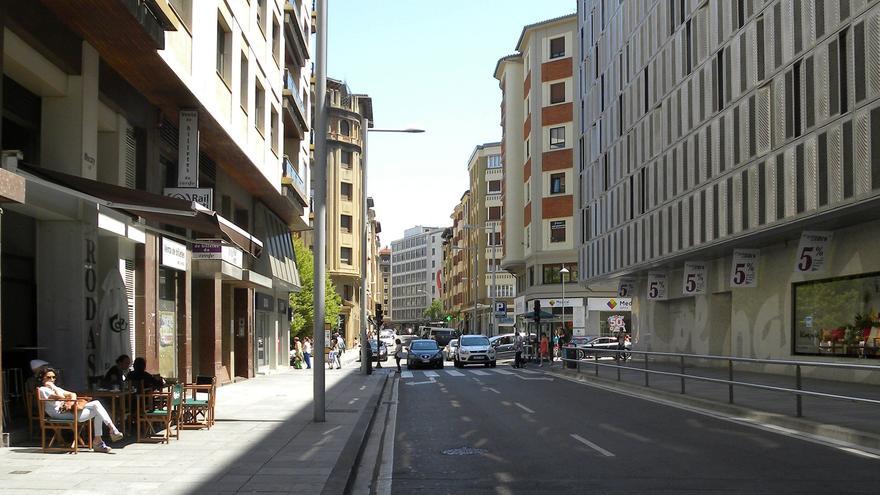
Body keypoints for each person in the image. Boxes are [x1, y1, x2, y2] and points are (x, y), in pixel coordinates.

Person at [37, 367, 122, 453]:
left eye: (53, 377)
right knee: (97, 406)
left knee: (97, 405)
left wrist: (70, 403)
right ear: (42, 378)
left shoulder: (55, 388)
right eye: (49, 377)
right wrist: (54, 388)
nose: (52, 379)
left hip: (68, 410)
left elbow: (72, 394)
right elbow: (61, 397)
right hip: (59, 413)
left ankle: (107, 434)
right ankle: (102, 439)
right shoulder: (43, 389)